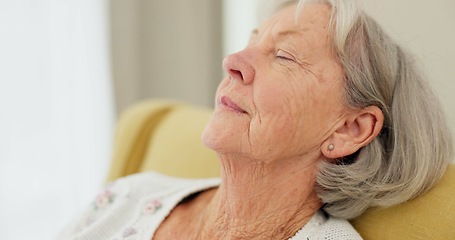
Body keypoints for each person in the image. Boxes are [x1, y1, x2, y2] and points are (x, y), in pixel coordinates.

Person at [57, 0, 453, 239]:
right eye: (250, 42)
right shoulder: (133, 195)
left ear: (350, 129)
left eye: (284, 56)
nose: (232, 63)